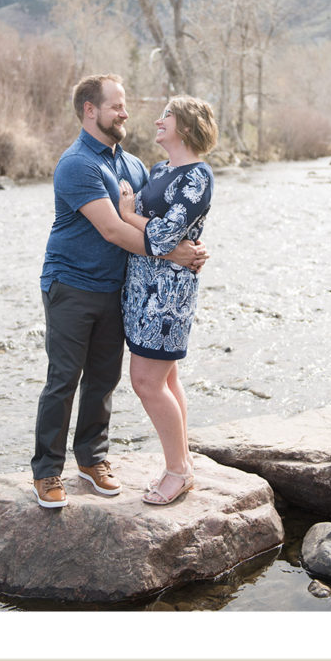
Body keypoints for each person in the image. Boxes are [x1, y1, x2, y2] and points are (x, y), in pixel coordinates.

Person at [32, 74, 207, 509]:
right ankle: (47, 471)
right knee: (63, 379)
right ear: (90, 110)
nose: (125, 114)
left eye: (124, 106)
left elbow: (161, 220)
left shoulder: (133, 165)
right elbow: (113, 228)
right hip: (72, 284)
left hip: (119, 290)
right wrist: (176, 254)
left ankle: (92, 460)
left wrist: (192, 245)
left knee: (104, 379)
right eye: (116, 106)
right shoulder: (77, 164)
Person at [117, 95, 218, 505]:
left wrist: (127, 215)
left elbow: (161, 237)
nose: (158, 121)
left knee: (146, 382)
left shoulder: (198, 176)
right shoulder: (159, 170)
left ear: (187, 127)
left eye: (167, 116)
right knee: (167, 379)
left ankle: (178, 471)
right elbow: (161, 231)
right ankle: (182, 461)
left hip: (168, 295)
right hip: (141, 290)